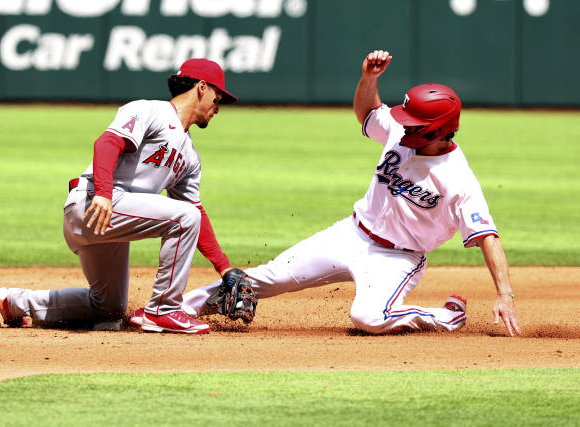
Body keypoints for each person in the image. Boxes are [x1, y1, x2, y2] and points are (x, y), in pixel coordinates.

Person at [177, 49, 521, 336]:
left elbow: (488, 236)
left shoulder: (458, 180)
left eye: (413, 122)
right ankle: (175, 309)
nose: (403, 124)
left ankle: (447, 316)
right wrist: (369, 79)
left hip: (399, 258)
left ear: (437, 130)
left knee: (368, 318)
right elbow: (367, 112)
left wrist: (505, 294)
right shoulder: (401, 132)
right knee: (266, 277)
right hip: (351, 234)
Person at [0, 58, 239, 334]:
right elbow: (107, 143)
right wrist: (104, 193)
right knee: (184, 217)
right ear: (202, 88)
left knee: (107, 308)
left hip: (112, 221)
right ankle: (164, 309)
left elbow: (197, 212)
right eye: (218, 97)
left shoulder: (190, 157)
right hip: (91, 203)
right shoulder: (151, 111)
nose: (219, 107)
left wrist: (225, 268)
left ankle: (13, 302)